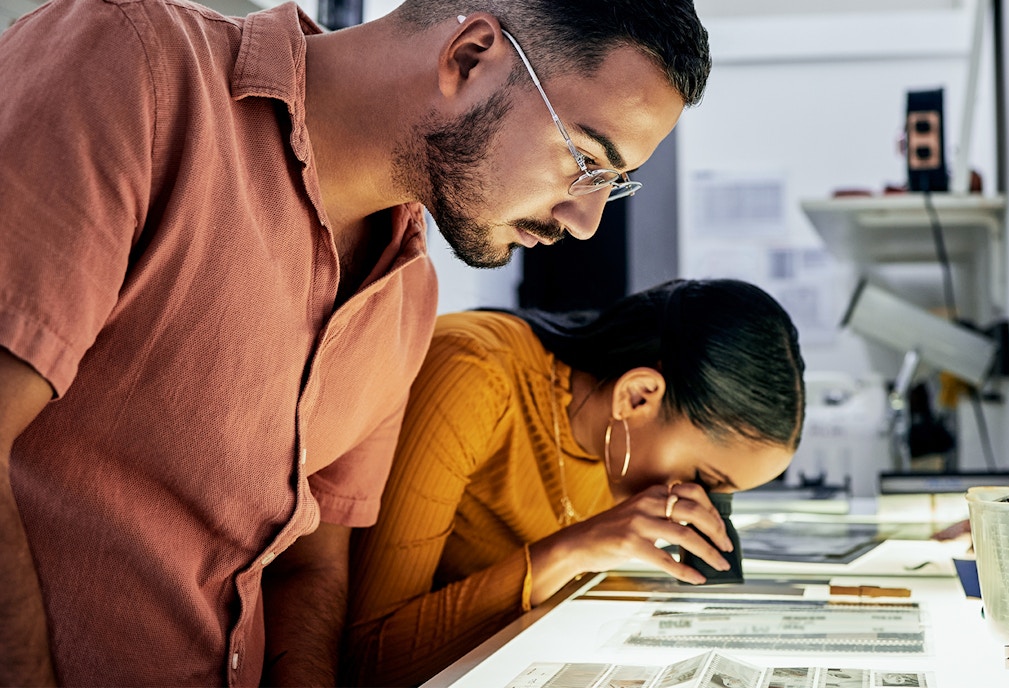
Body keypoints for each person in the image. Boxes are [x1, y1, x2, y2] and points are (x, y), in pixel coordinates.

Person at [0, 0, 711, 684]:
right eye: (585, 159)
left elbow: (310, 564)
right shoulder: (136, 69)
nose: (585, 221)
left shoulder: (406, 296)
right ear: (470, 58)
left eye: (613, 185)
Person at [343, 278, 806, 686]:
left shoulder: (618, 455)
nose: (698, 504)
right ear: (637, 396)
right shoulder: (472, 372)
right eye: (703, 478)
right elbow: (368, 662)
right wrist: (571, 550)